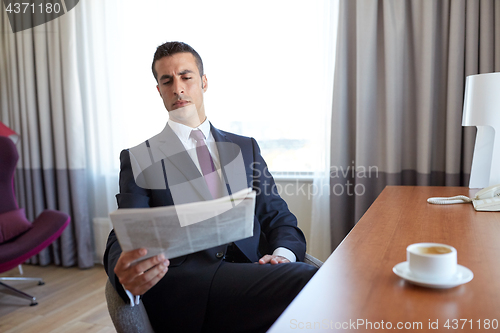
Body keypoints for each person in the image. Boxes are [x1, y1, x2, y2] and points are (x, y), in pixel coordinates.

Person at [104, 41, 317, 332]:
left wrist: (282, 255)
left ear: (203, 82)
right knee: (310, 280)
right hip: (187, 286)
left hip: (251, 274)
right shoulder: (140, 157)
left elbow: (278, 217)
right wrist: (122, 274)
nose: (178, 88)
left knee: (312, 282)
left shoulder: (245, 148)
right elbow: (125, 232)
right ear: (159, 91)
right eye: (167, 80)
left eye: (186, 76)